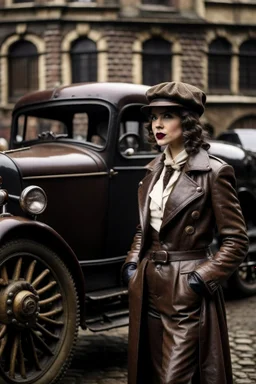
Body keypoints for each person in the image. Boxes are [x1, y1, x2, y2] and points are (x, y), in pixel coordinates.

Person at [121, 82, 249, 384]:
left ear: (188, 121)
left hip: (186, 288)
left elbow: (236, 240)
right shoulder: (153, 172)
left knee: (175, 376)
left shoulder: (215, 173)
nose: (158, 125)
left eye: (167, 116)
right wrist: (131, 265)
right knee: (149, 373)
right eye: (153, 118)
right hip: (148, 284)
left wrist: (200, 279)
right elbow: (144, 228)